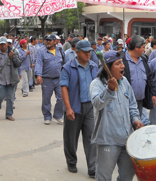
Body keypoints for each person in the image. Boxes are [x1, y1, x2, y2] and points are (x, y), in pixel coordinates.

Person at [89, 50, 143, 181]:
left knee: (127, 175)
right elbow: (97, 104)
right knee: (104, 177)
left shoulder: (124, 82)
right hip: (108, 139)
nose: (123, 66)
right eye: (118, 63)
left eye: (122, 63)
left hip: (126, 138)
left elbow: (132, 105)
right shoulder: (96, 84)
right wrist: (109, 90)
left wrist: (136, 120)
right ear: (108, 67)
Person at [60, 40, 98, 177]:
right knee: (71, 137)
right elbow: (64, 87)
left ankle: (92, 167)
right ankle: (71, 162)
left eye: (90, 51)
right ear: (77, 52)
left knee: (91, 138)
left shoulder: (94, 66)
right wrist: (68, 108)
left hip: (90, 107)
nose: (88, 54)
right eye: (85, 52)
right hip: (74, 107)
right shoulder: (68, 68)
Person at [0, 36, 22, 121]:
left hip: (11, 80)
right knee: (0, 97)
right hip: (1, 80)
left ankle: (9, 114)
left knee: (10, 98)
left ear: (7, 43)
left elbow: (19, 64)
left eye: (4, 44)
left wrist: (13, 57)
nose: (3, 46)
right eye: (1, 44)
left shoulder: (13, 52)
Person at [35, 34, 65, 125]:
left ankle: (58, 115)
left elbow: (65, 63)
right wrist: (38, 75)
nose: (48, 42)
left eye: (50, 40)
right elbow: (39, 63)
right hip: (46, 79)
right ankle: (47, 116)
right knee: (46, 99)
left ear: (55, 41)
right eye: (46, 40)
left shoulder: (60, 50)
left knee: (62, 98)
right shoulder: (41, 51)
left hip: (59, 79)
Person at [122, 35, 154, 117]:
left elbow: (149, 77)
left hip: (140, 101)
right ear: (136, 48)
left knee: (137, 124)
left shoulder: (143, 59)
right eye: (143, 47)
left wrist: (152, 94)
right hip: (125, 101)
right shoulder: (122, 60)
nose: (144, 50)